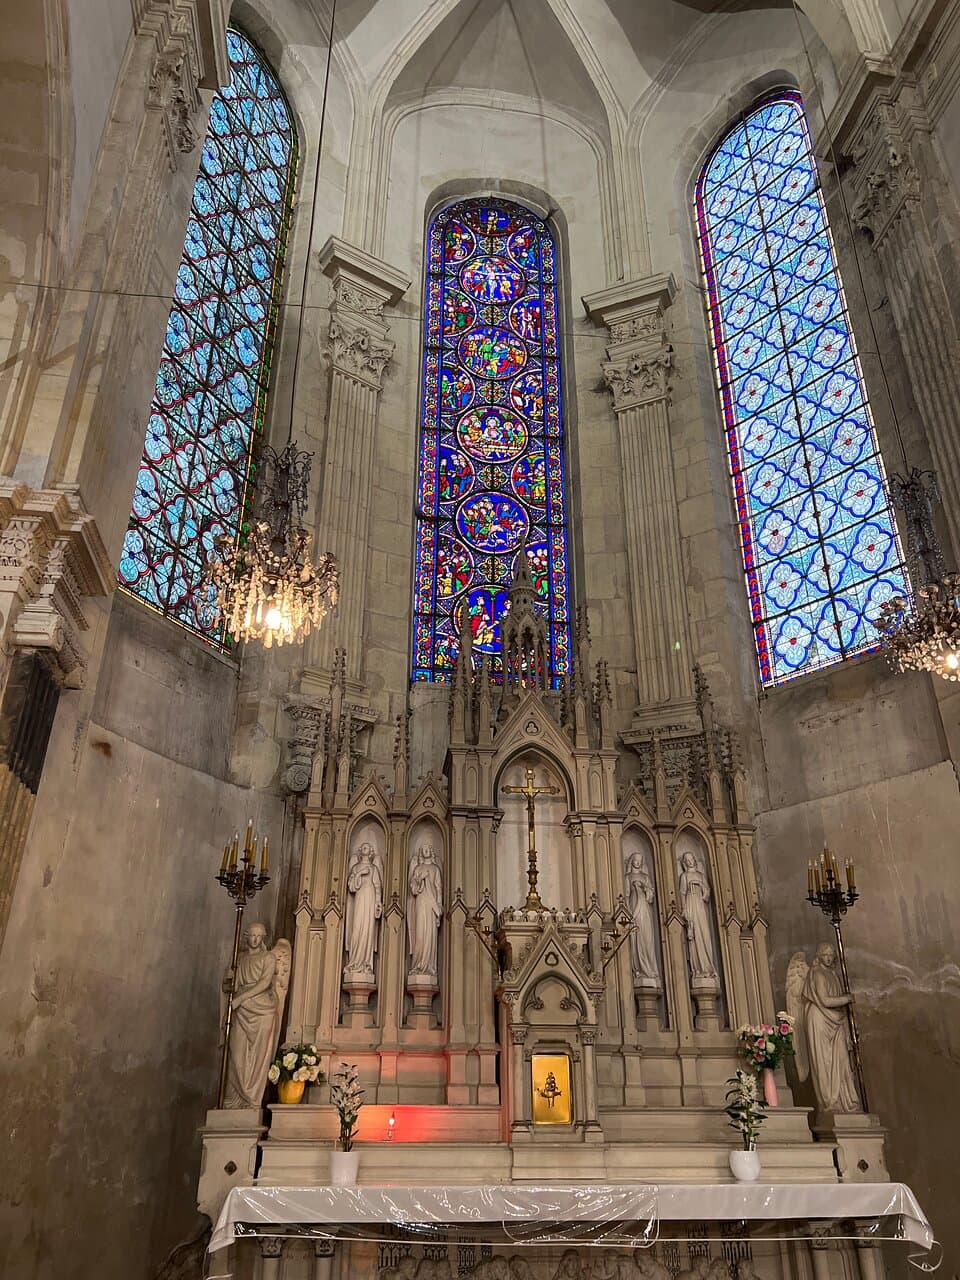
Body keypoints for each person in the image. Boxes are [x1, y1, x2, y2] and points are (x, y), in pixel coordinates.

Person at [678, 850, 718, 979]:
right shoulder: (684, 876)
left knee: (704, 935)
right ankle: (699, 969)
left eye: (691, 859)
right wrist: (685, 910)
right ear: (684, 863)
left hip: (700, 907)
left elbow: (707, 894)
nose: (690, 862)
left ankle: (708, 967)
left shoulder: (700, 875)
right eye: (687, 860)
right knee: (694, 935)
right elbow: (682, 894)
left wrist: (700, 885)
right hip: (691, 906)